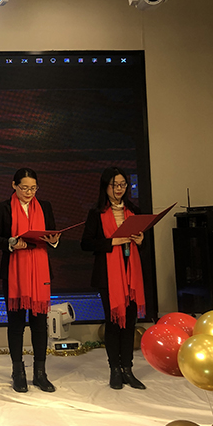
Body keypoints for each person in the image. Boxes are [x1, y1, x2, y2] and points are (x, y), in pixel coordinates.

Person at [0, 168, 59, 394]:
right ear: (14, 185)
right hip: (14, 272)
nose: (29, 192)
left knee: (39, 323)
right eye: (24, 188)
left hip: (40, 271)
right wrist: (11, 243)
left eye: (33, 188)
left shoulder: (45, 206)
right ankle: (18, 372)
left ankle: (40, 373)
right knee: (16, 324)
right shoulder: (4, 207)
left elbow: (52, 234)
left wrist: (54, 240)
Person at [81, 167, 146, 390]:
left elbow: (143, 245)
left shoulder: (134, 211)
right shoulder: (96, 213)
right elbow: (86, 243)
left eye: (122, 185)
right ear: (105, 186)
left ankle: (128, 368)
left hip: (131, 274)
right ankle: (115, 370)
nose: (119, 189)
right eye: (114, 185)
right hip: (108, 275)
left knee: (130, 323)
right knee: (113, 322)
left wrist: (141, 241)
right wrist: (112, 242)